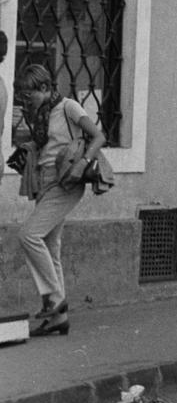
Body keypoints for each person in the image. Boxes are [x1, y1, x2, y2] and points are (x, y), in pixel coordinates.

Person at [15, 64, 103, 337]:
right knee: (51, 248)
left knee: (29, 235)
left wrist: (83, 163)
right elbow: (49, 147)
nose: (26, 100)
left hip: (66, 181)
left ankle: (54, 298)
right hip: (45, 182)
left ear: (44, 87)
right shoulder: (41, 114)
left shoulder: (69, 107)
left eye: (29, 94)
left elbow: (99, 136)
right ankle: (59, 319)